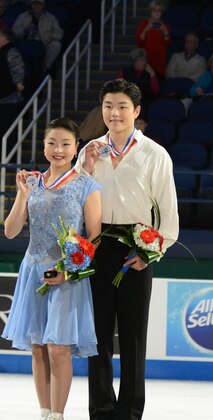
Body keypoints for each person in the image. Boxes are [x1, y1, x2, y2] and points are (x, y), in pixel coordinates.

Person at [76, 79, 179, 420]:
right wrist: (87, 169)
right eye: (108, 106)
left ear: (136, 111)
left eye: (122, 107)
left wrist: (151, 252)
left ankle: (130, 411)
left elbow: (168, 212)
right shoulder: (90, 151)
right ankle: (101, 409)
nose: (114, 113)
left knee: (134, 337)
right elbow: (74, 201)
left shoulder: (155, 153)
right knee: (98, 336)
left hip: (137, 247)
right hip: (97, 245)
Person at [2, 117, 102, 420]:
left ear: (76, 150)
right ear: (44, 146)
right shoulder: (32, 183)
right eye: (51, 143)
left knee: (58, 348)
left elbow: (94, 237)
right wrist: (21, 194)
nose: (57, 149)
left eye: (65, 144)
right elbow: (10, 230)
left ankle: (58, 415)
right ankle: (44, 412)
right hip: (33, 270)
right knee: (38, 346)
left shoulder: (87, 185)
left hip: (66, 274)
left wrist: (69, 269)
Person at [12, 0, 62, 76]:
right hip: (26, 43)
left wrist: (52, 36)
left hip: (43, 43)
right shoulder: (22, 16)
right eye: (34, 4)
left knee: (56, 44)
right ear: (31, 5)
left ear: (43, 5)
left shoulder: (50, 17)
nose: (36, 6)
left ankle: (45, 67)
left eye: (39, 4)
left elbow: (59, 33)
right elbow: (14, 31)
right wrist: (25, 29)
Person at [135, 0, 170, 78]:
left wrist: (165, 32)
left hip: (159, 62)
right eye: (155, 10)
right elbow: (139, 42)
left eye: (159, 10)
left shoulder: (165, 26)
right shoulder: (143, 24)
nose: (157, 12)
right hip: (146, 60)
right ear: (150, 11)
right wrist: (146, 29)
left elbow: (167, 43)